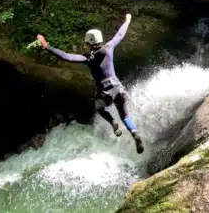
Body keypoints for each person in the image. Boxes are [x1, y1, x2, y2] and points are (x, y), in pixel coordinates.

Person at [36, 14, 144, 154]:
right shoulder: (109, 48)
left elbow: (66, 57)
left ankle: (112, 123)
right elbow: (120, 35)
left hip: (105, 92)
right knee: (125, 116)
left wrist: (47, 46)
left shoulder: (88, 58)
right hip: (118, 89)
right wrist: (127, 21)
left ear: (89, 42)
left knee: (99, 107)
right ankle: (135, 134)